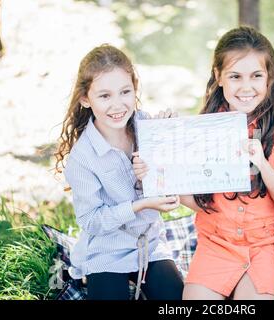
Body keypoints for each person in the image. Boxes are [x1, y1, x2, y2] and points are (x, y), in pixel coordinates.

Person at [133, 26, 274, 299]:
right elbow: (199, 202)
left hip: (261, 247)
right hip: (215, 245)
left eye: (256, 76)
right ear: (218, 77)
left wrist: (262, 162)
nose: (246, 87)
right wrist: (158, 163)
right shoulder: (203, 129)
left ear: (269, 78)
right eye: (235, 77)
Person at [54, 44, 184, 300]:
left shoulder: (148, 127)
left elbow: (171, 181)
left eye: (125, 92)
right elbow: (92, 221)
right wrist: (139, 205)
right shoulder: (82, 159)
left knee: (177, 300)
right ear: (85, 99)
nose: (117, 105)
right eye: (104, 96)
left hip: (150, 243)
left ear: (135, 90)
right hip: (106, 249)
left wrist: (170, 138)